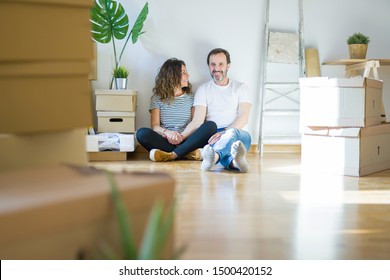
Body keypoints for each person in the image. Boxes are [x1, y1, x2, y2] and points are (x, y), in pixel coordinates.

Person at [136, 58, 217, 162]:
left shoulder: (192, 97)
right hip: (166, 140)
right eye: (183, 72)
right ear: (171, 76)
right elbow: (155, 126)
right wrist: (168, 133)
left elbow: (195, 123)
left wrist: (181, 137)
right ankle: (188, 154)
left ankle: (172, 155)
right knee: (142, 133)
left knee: (210, 126)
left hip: (188, 139)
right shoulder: (157, 98)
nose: (188, 76)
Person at [189, 48, 252, 172]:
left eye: (221, 64)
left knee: (231, 135)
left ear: (228, 66)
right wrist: (181, 137)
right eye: (213, 64)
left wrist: (225, 132)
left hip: (239, 133)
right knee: (227, 152)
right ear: (208, 66)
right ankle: (237, 163)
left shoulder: (241, 88)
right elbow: (198, 120)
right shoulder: (203, 90)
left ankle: (213, 158)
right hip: (213, 135)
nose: (216, 68)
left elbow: (243, 117)